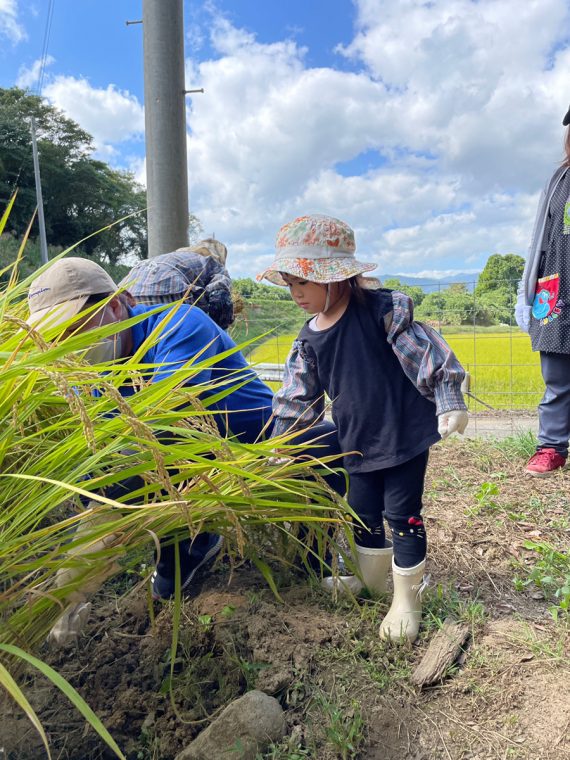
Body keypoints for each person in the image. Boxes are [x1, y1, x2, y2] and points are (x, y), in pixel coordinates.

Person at [257, 214, 468, 643]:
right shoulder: (309, 338)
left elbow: (426, 353)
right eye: (290, 283)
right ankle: (370, 584)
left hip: (404, 433)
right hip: (355, 438)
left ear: (337, 279)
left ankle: (406, 598)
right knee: (363, 512)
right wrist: (283, 441)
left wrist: (448, 397)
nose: (296, 293)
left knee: (402, 515)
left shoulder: (381, 312)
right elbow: (297, 394)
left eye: (304, 282)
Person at [26, 257, 273, 623]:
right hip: (195, 463)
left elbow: (160, 432)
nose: (70, 346)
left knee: (132, 471)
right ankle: (193, 548)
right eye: (57, 339)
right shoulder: (91, 375)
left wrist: (73, 579)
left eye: (76, 329)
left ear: (115, 304)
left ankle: (197, 545)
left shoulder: (179, 325)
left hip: (261, 448)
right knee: (114, 486)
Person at [515, 104, 570, 477]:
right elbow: (541, 238)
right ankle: (551, 447)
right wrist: (527, 291)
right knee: (557, 377)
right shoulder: (559, 179)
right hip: (558, 285)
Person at [120, 239, 235, 329]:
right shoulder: (209, 261)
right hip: (169, 292)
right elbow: (219, 290)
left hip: (126, 299)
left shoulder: (170, 258)